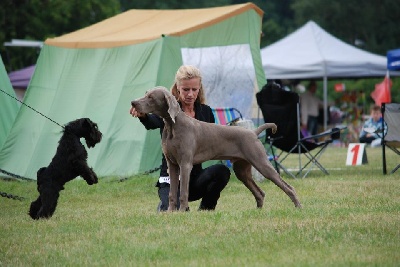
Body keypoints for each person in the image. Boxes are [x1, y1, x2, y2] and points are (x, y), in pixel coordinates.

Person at [129, 65, 231, 211]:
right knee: (174, 212)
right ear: (178, 88)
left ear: (199, 88)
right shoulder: (167, 110)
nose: (190, 94)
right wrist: (143, 115)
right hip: (170, 180)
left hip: (194, 180)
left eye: (194, 89)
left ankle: (207, 209)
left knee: (222, 171)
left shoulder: (205, 112)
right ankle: (167, 203)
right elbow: (152, 122)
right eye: (185, 89)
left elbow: (212, 142)